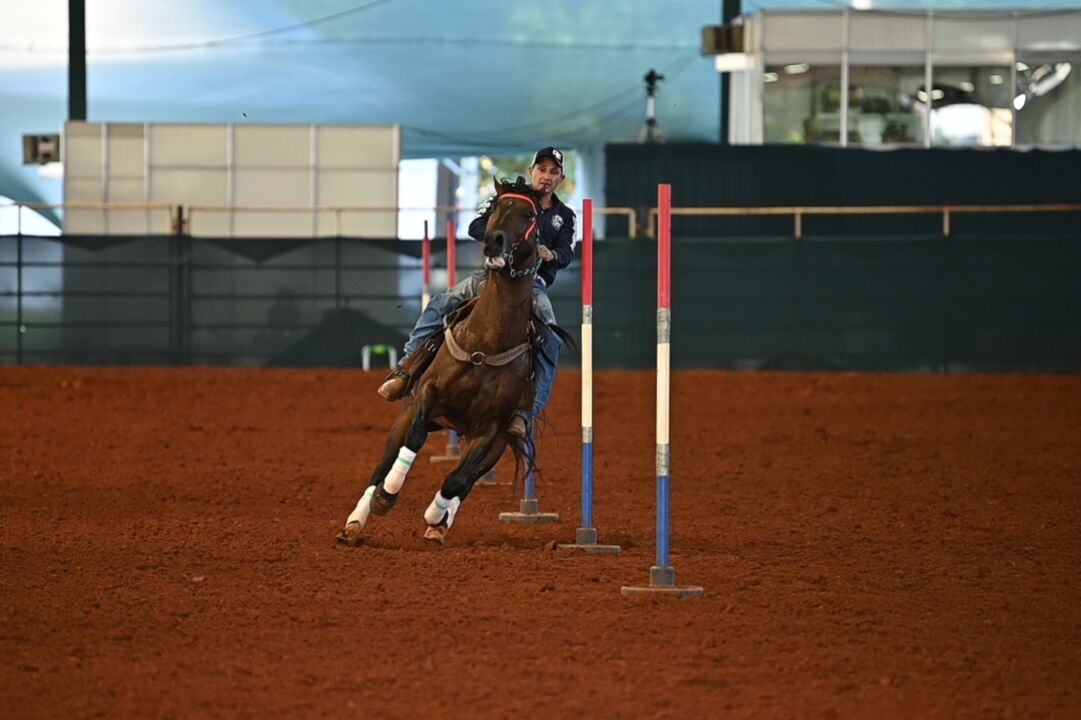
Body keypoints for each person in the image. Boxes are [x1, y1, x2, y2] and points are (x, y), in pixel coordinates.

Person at [378, 146, 576, 440]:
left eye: (554, 172)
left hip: (532, 285)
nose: (546, 177)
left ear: (560, 179)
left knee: (551, 339)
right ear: (532, 171)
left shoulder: (565, 216)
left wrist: (548, 254)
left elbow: (566, 253)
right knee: (441, 303)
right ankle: (406, 370)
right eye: (542, 169)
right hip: (491, 277)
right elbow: (475, 225)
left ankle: (526, 412)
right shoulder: (507, 198)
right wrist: (503, 235)